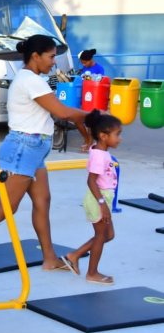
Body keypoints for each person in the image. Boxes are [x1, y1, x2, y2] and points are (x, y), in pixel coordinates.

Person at [0, 34, 92, 271]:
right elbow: (62, 112)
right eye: (50, 57)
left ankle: (49, 258)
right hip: (23, 148)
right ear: (35, 56)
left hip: (34, 149)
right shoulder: (31, 80)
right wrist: (97, 116)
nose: (53, 62)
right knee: (7, 207)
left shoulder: (34, 79)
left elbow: (60, 113)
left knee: (42, 201)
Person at [64, 110, 121, 285]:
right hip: (99, 199)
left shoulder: (100, 151)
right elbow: (91, 180)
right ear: (103, 136)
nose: (119, 139)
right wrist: (102, 204)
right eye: (117, 134)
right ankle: (92, 273)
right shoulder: (99, 156)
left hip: (103, 198)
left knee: (108, 235)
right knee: (100, 236)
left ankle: (73, 256)